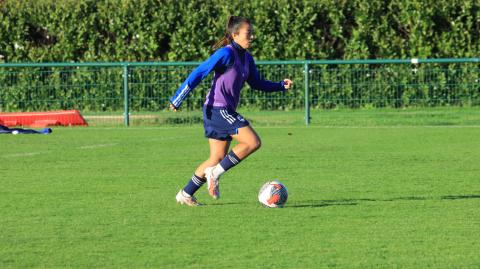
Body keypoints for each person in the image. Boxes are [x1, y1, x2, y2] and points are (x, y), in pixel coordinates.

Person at [169, 15, 293, 206]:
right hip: (218, 109)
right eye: (248, 33)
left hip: (218, 111)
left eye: (252, 33)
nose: (252, 37)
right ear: (235, 35)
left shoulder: (247, 58)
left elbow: (256, 83)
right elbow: (200, 72)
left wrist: (279, 86)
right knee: (253, 142)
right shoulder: (225, 54)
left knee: (216, 157)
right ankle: (215, 173)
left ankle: (185, 193)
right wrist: (178, 97)